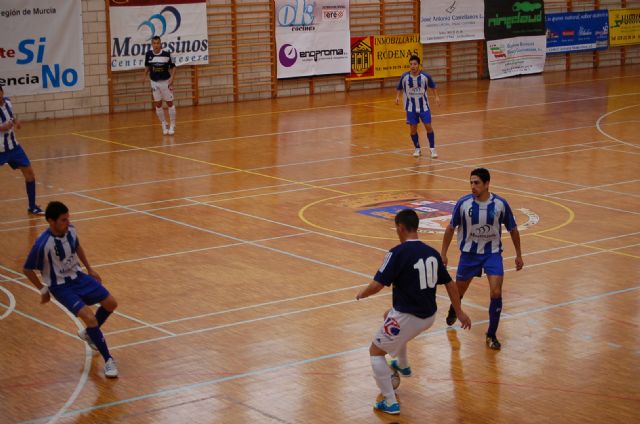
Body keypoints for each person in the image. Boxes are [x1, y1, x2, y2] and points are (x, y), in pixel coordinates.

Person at [356, 209, 471, 415]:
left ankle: (390, 402)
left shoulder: (397, 253)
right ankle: (402, 364)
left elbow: (377, 285)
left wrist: (362, 294)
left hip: (408, 317)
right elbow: (451, 285)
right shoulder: (432, 253)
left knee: (375, 353)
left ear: (400, 228)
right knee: (387, 316)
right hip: (429, 317)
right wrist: (460, 312)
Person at [23, 201, 119, 378]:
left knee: (111, 303)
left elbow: (77, 247)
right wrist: (42, 289)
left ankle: (90, 334)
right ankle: (109, 360)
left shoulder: (71, 231)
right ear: (51, 222)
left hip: (79, 277)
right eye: (63, 220)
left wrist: (89, 268)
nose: (68, 222)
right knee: (90, 317)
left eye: (68, 218)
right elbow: (27, 269)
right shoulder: (43, 244)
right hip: (60, 287)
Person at [441, 168, 524, 350]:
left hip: (492, 254)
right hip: (469, 255)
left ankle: (491, 334)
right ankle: (455, 307)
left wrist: (518, 254)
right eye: (471, 182)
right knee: (459, 291)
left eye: (476, 183)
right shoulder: (463, 204)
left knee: (496, 293)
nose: (473, 186)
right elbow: (450, 228)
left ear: (487, 184)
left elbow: (513, 229)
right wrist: (443, 253)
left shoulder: (500, 204)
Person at [0, 84, 44, 215]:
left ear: (2, 92)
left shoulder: (8, 102)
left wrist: (16, 122)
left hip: (14, 148)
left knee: (30, 174)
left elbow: (12, 117)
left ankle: (32, 207)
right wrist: (2, 127)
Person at [395, 55, 441, 159]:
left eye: (415, 64)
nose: (412, 66)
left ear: (419, 65)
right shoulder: (404, 76)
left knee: (428, 127)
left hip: (424, 107)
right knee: (413, 130)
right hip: (411, 108)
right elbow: (399, 87)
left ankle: (432, 149)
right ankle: (417, 148)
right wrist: (397, 97)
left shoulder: (425, 76)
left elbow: (433, 86)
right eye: (411, 64)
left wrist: (436, 97)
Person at [144, 36, 177, 135]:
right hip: (154, 82)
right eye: (154, 43)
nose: (156, 45)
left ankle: (172, 124)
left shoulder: (167, 54)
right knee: (158, 104)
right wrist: (144, 75)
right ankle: (163, 123)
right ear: (152, 45)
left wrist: (172, 78)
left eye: (158, 43)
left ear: (161, 44)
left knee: (169, 103)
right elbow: (147, 66)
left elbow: (174, 67)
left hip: (165, 82)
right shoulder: (148, 54)